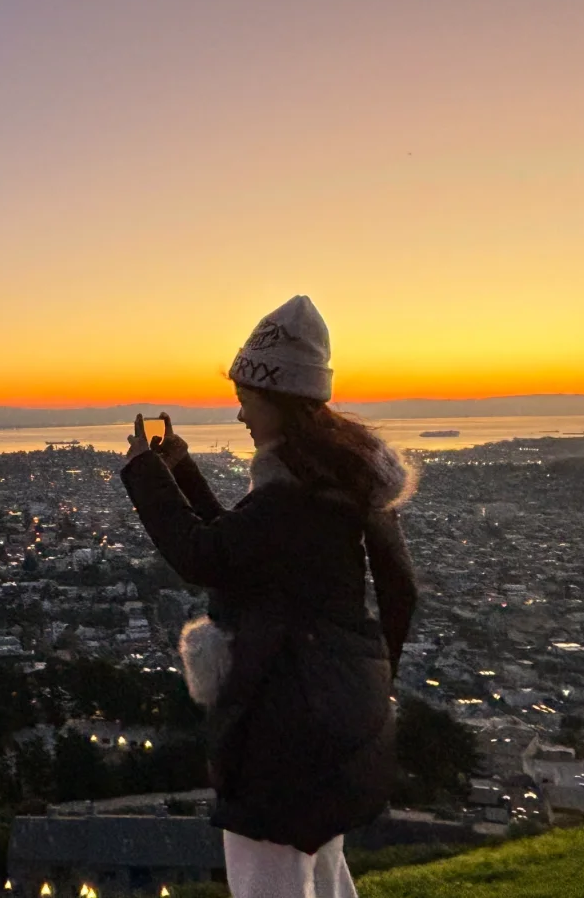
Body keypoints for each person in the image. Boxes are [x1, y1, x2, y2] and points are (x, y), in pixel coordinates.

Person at [119, 295, 418, 898]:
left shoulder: (293, 498)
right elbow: (244, 553)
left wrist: (146, 473)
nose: (240, 416)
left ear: (279, 400)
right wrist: (182, 473)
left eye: (246, 400)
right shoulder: (338, 482)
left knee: (268, 877)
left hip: (282, 725)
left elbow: (203, 556)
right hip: (337, 710)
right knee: (325, 871)